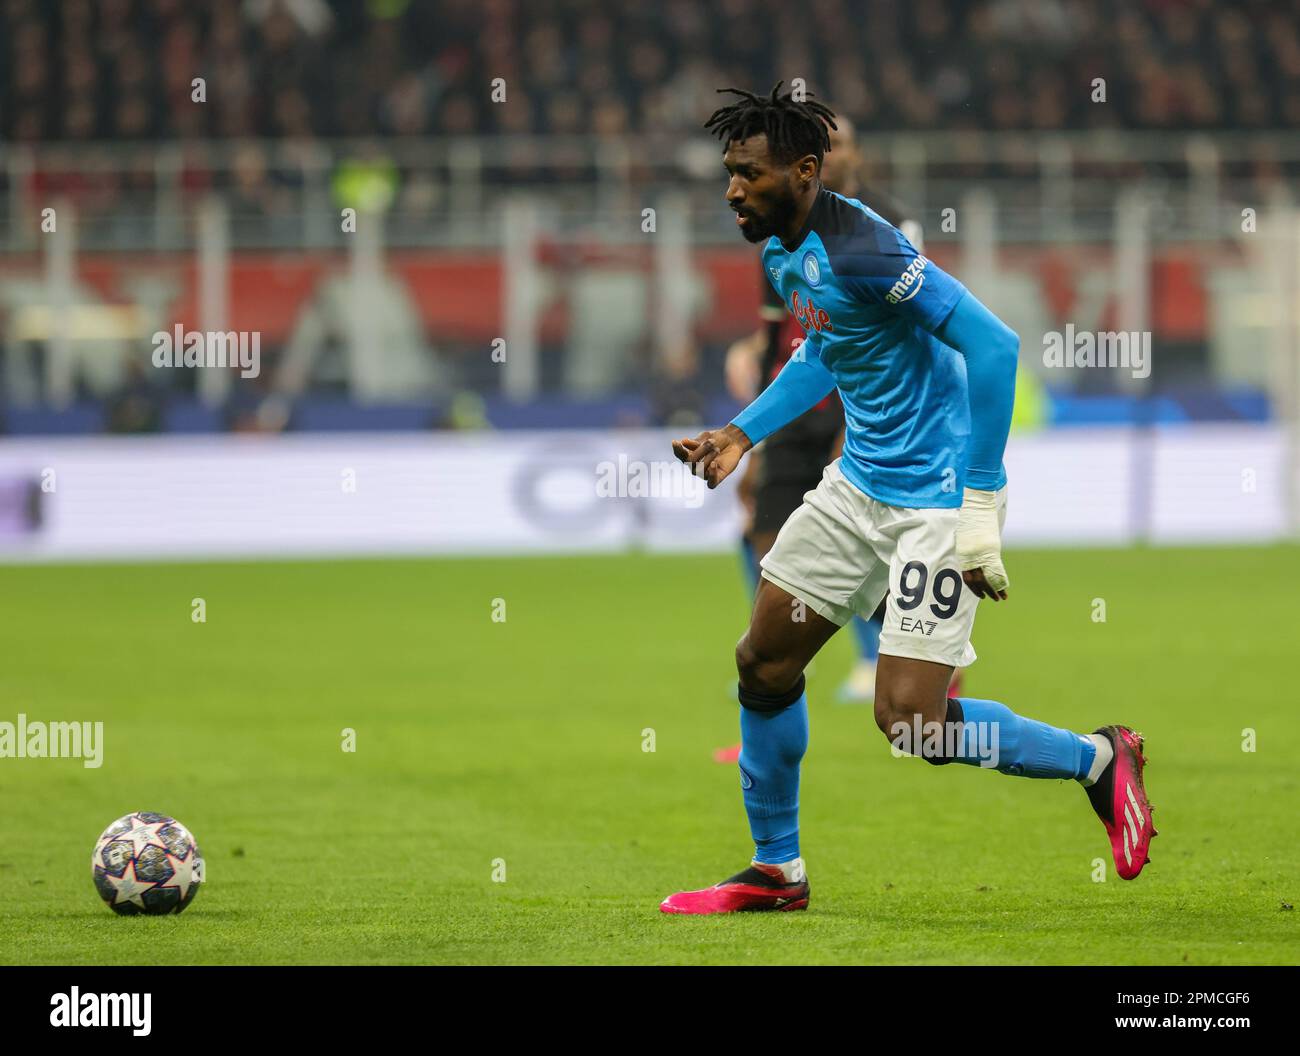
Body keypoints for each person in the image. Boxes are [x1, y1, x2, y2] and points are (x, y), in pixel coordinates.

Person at [663, 84, 1156, 914]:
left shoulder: (867, 248)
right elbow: (828, 349)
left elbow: (994, 346)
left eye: (747, 173)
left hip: (932, 500)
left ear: (805, 170)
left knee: (912, 722)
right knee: (764, 661)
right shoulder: (783, 251)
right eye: (728, 173)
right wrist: (743, 432)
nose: (732, 190)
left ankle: (1098, 758)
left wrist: (980, 501)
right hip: (856, 488)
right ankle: (776, 870)